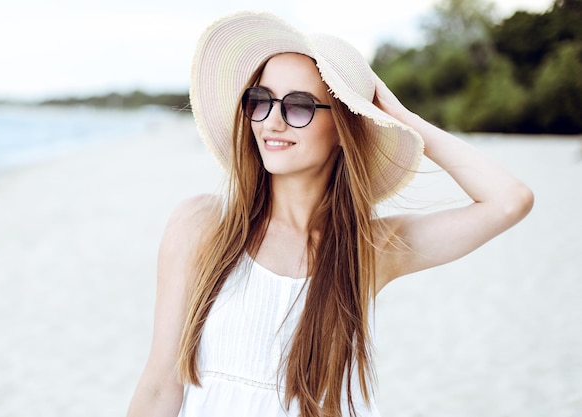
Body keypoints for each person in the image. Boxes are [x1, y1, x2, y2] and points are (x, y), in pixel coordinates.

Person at [126, 11, 533, 417]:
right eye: (261, 101)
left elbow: (509, 200)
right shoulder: (202, 225)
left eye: (299, 106)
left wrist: (401, 119)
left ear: (342, 126)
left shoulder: (368, 249)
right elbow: (160, 387)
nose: (273, 121)